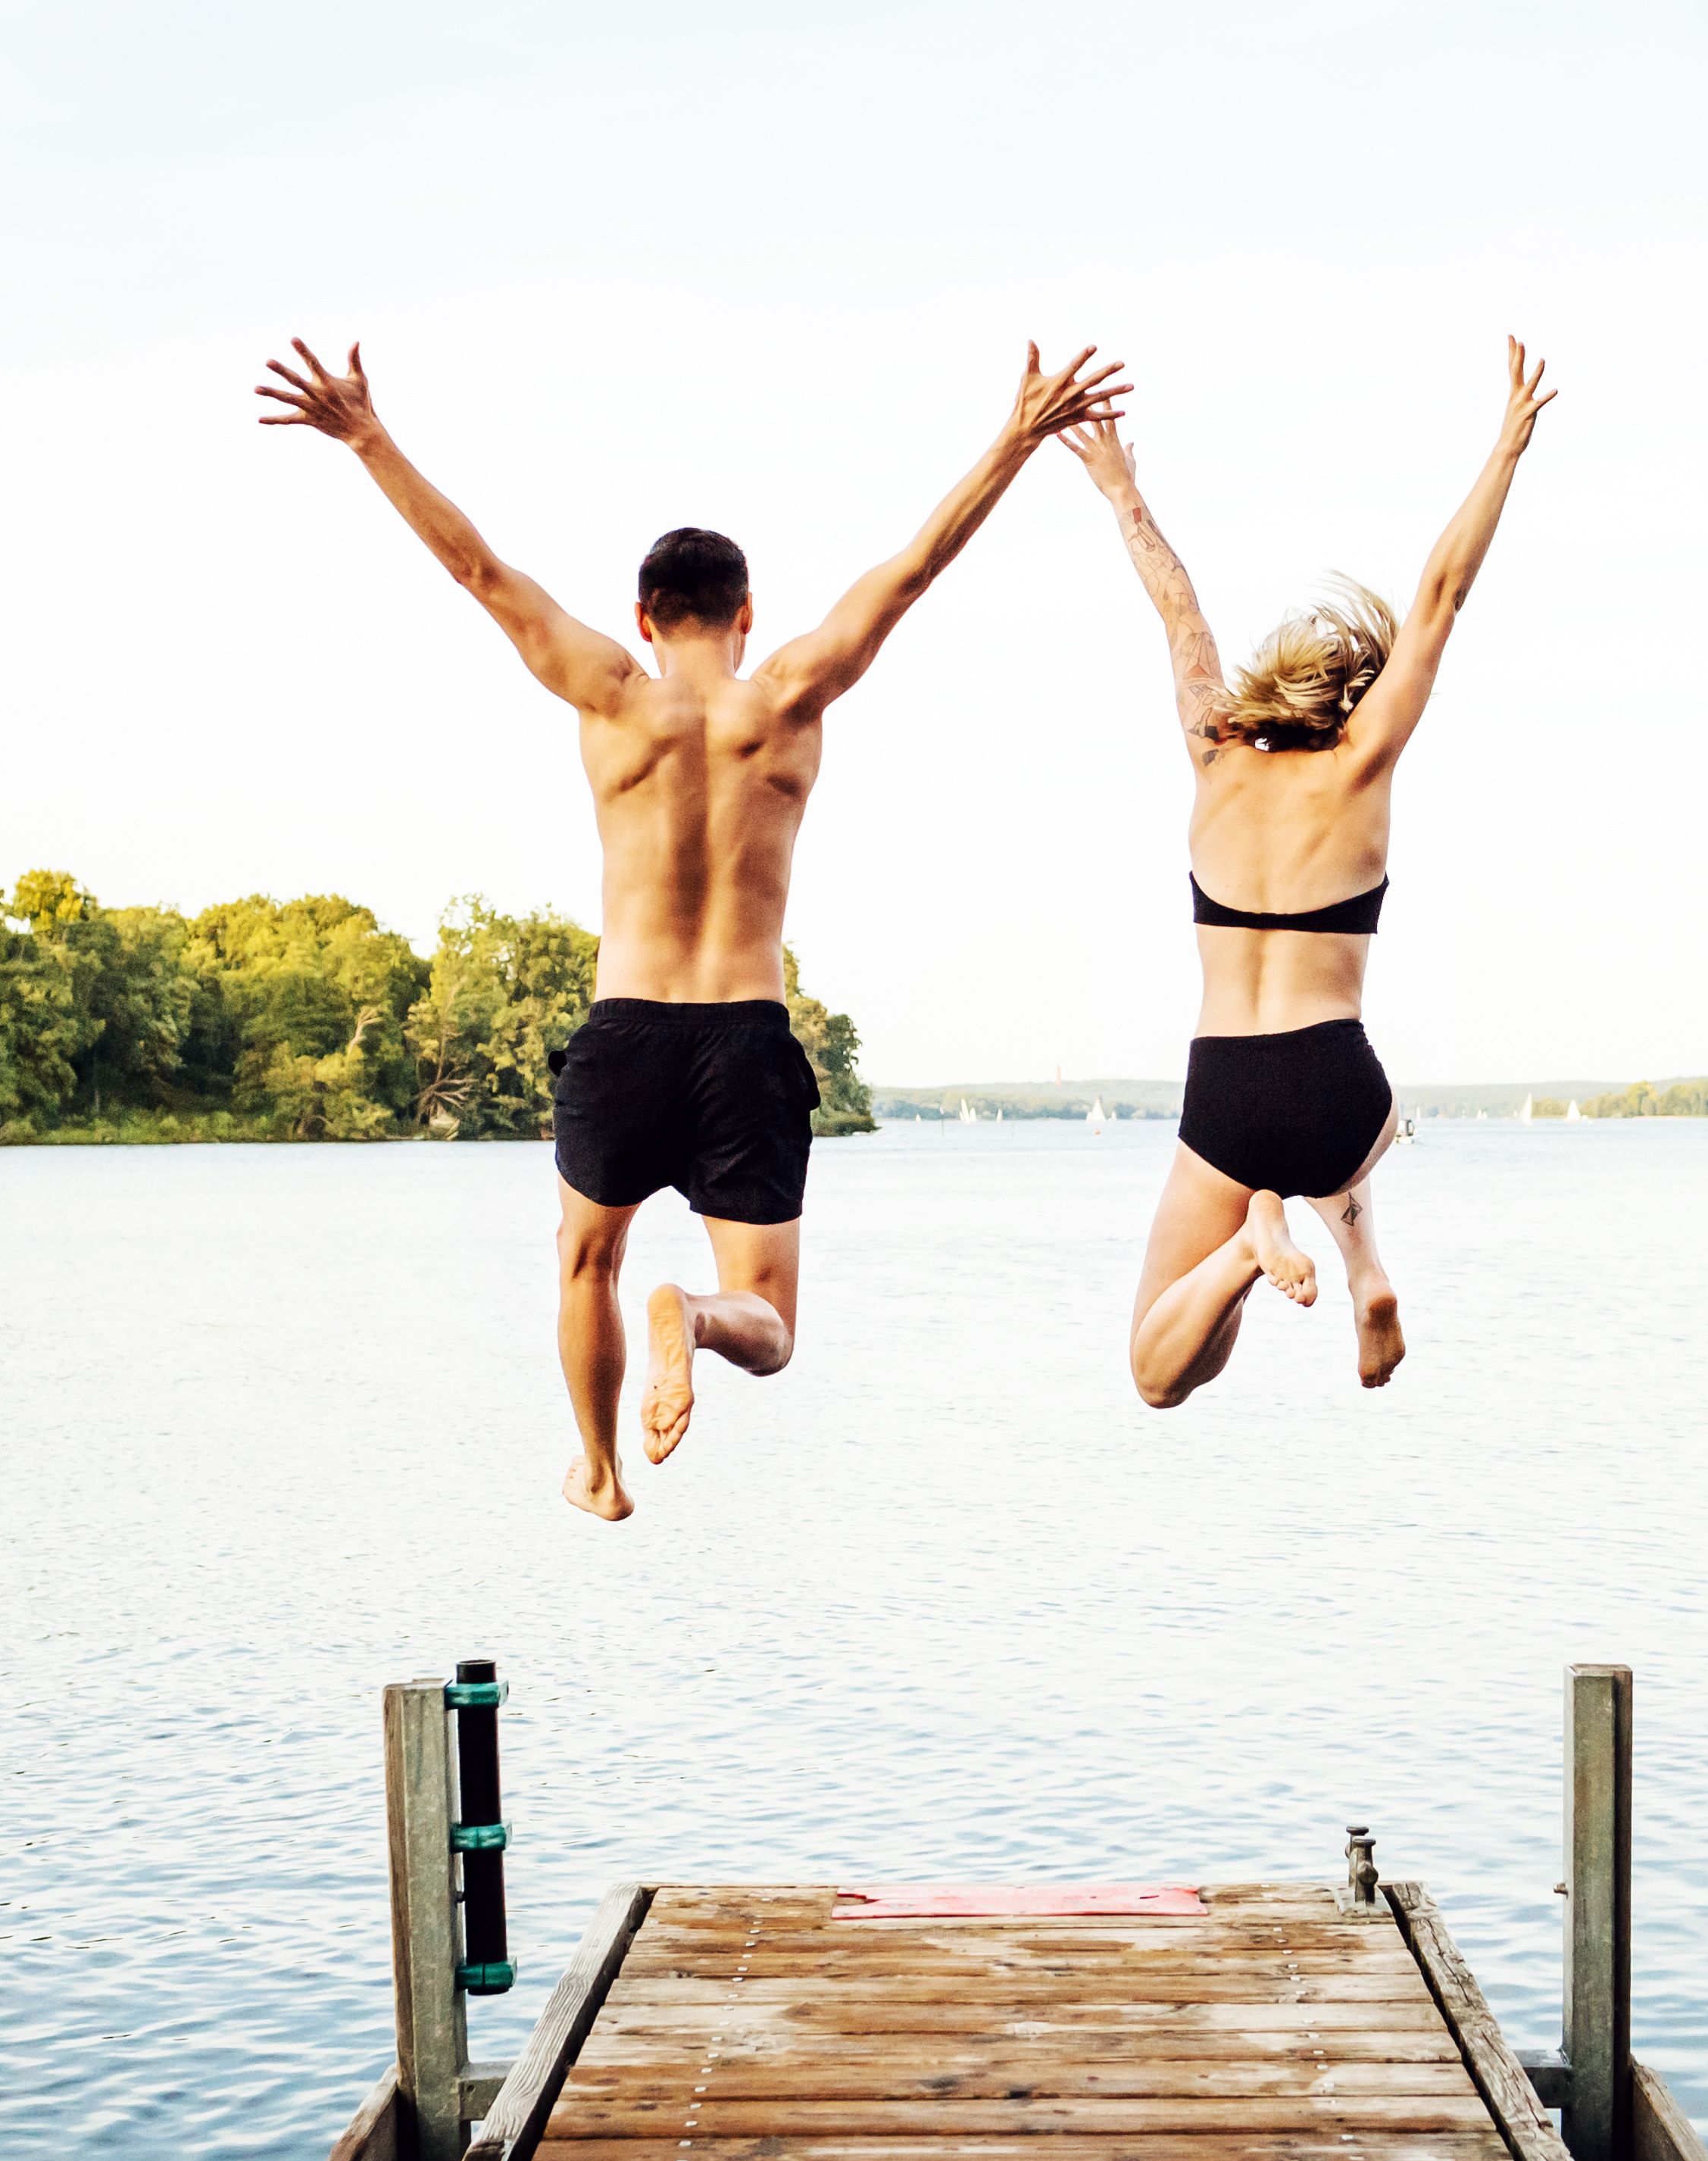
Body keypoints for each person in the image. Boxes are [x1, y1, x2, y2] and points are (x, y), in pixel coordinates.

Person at [259, 336, 1128, 1517]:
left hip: (625, 1033)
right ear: (746, 613)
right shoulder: (789, 692)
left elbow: (477, 569)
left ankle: (604, 1469)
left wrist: (367, 437)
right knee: (769, 1326)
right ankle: (698, 1318)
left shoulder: (609, 688)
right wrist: (1017, 438)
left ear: (644, 614)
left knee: (585, 1260)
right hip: (744, 1037)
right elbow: (914, 569)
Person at [1060, 339, 1556, 1408]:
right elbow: (1439, 595)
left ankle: (1249, 1247)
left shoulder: (1211, 754)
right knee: (1361, 1134)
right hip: (1341, 1083)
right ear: (1349, 703)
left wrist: (1118, 490)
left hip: (1227, 1088)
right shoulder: (1362, 765)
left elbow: (1177, 607)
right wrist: (1506, 446)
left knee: (1161, 1370)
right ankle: (1363, 1264)